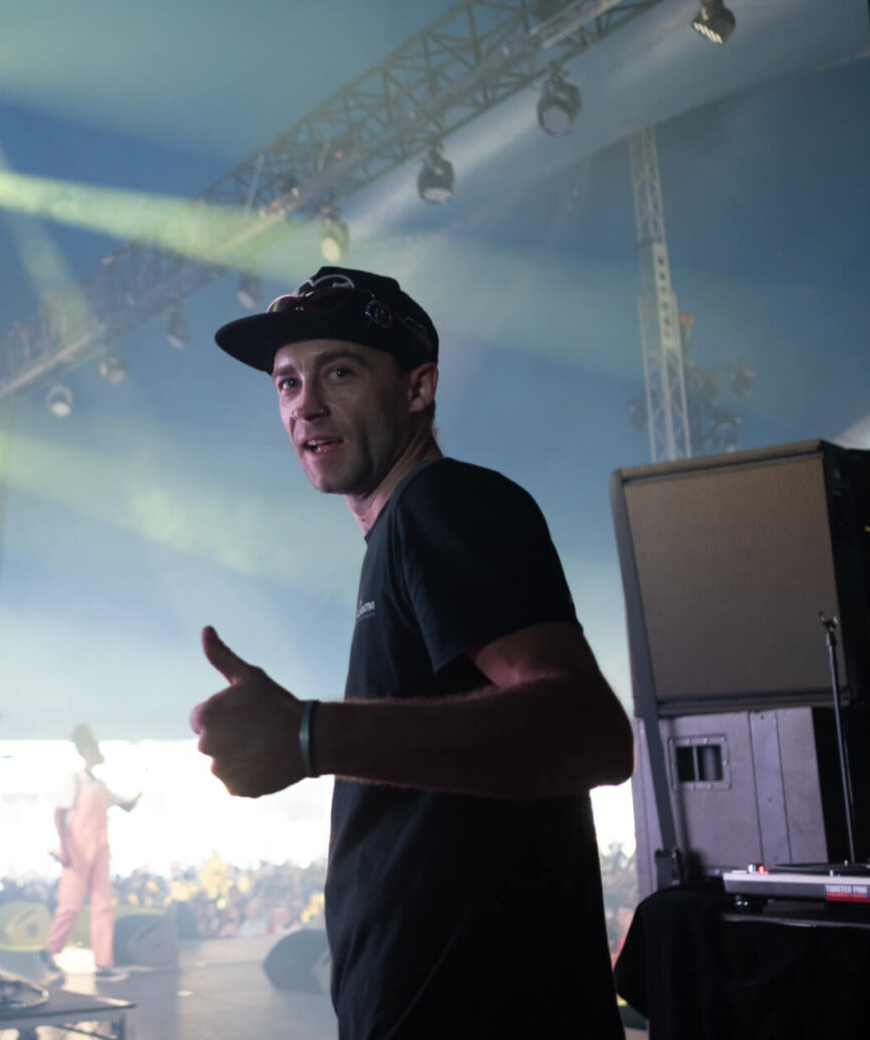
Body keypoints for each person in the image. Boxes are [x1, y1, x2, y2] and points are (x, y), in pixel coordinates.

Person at [192, 267, 634, 1038]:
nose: (306, 405)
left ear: (418, 388)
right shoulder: (401, 531)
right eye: (288, 382)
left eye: (339, 371)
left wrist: (310, 735)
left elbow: (587, 731)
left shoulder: (441, 503)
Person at [38, 725, 139, 982]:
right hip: (77, 851)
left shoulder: (101, 785)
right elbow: (59, 815)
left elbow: (127, 805)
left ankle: (104, 964)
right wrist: (65, 848)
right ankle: (50, 950)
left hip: (100, 850)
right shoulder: (74, 780)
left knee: (103, 907)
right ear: (87, 752)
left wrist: (143, 783)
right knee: (70, 906)